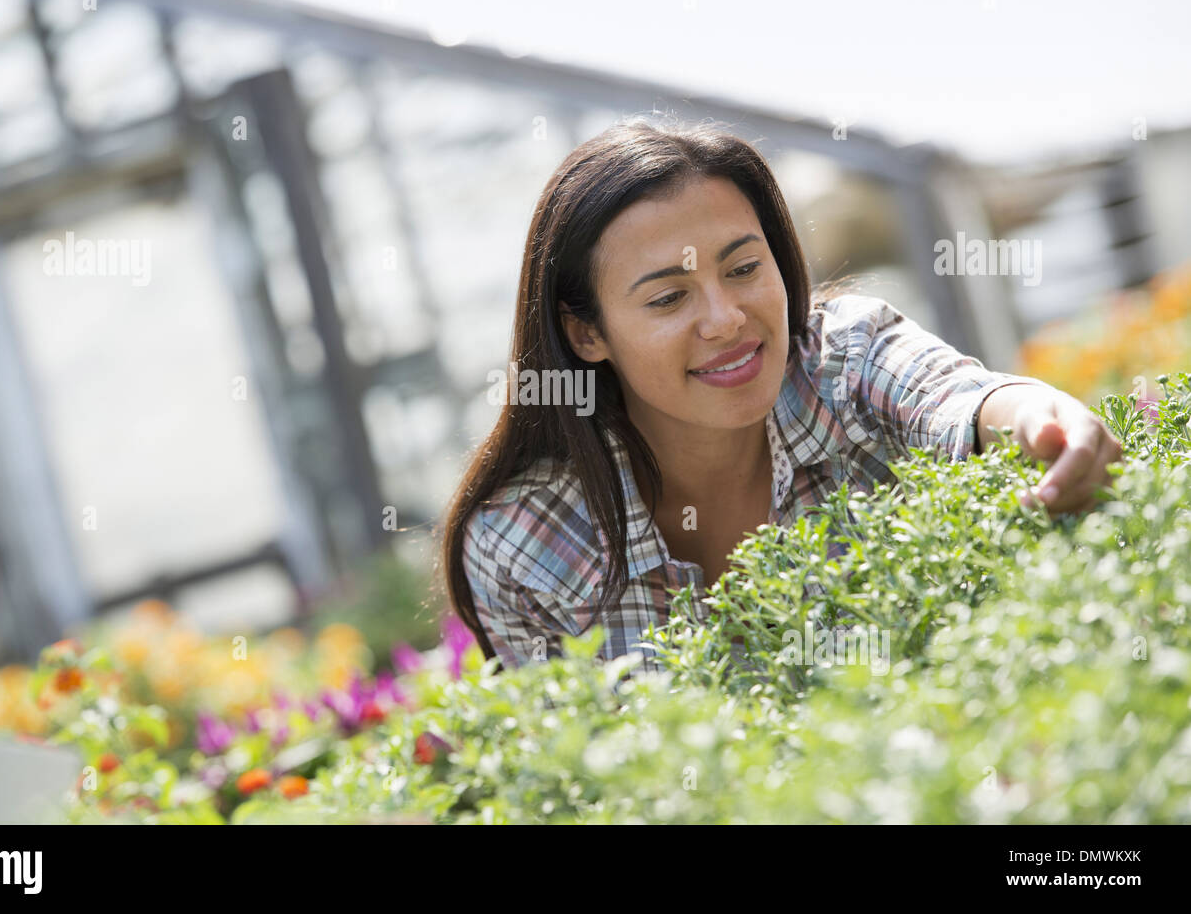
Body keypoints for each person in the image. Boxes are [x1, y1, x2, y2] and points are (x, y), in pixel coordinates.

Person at [440, 117, 1122, 677]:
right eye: (669, 297)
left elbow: (954, 397)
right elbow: (574, 784)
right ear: (586, 332)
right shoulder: (522, 543)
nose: (727, 317)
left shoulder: (843, 361)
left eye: (743, 268)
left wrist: (1038, 417)